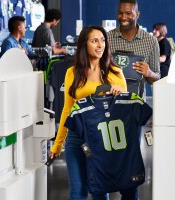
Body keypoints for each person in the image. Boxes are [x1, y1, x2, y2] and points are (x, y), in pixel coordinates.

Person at [49, 25, 127, 200]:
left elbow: (123, 111)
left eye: (103, 40)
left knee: (99, 190)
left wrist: (119, 94)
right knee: (77, 192)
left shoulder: (115, 73)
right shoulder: (72, 72)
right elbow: (67, 110)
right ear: (85, 45)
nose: (100, 45)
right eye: (95, 41)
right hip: (76, 137)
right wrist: (57, 144)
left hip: (102, 139)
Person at [108, 0, 160, 98]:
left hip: (136, 103)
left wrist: (149, 73)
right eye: (120, 13)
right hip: (110, 101)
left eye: (128, 13)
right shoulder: (107, 38)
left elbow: (157, 78)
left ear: (137, 14)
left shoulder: (151, 41)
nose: (123, 17)